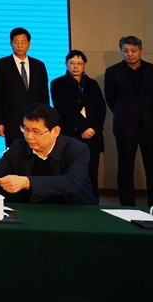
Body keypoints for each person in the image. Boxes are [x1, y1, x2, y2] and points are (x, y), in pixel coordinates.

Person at [0, 103, 97, 205]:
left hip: (75, 209)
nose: (29, 136)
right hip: (35, 210)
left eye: (36, 131)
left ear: (55, 131)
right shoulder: (19, 147)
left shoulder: (77, 149)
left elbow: (72, 182)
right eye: (26, 129)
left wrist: (27, 182)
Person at [104, 36, 153, 206]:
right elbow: (110, 99)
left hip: (151, 125)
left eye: (133, 50)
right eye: (125, 51)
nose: (129, 54)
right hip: (124, 126)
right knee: (125, 168)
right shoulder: (112, 72)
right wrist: (126, 114)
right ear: (121, 51)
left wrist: (149, 114)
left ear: (141, 51)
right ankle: (127, 206)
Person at [50, 50, 106, 196]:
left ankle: (93, 202)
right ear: (66, 64)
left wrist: (93, 128)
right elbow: (62, 110)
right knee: (71, 171)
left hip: (93, 136)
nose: (76, 66)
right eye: (72, 63)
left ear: (84, 65)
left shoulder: (92, 84)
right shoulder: (57, 84)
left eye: (79, 63)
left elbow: (101, 108)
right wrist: (81, 129)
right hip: (71, 135)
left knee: (92, 172)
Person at [0, 27, 50, 147]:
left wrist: (46, 118)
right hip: (11, 120)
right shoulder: (1, 64)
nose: (19, 45)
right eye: (16, 42)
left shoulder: (39, 65)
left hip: (36, 119)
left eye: (23, 42)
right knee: (14, 151)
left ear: (29, 44)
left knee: (36, 151)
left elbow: (44, 94)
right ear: (11, 43)